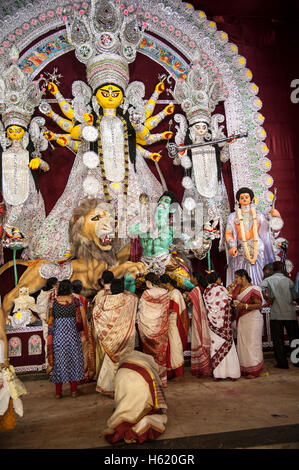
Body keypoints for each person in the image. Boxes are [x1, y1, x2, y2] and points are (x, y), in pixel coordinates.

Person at [104, 350, 167, 445]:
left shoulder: (125, 359)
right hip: (141, 380)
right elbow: (157, 385)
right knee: (148, 408)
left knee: (125, 402)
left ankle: (124, 413)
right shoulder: (151, 362)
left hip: (122, 377)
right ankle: (138, 424)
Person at [92, 277, 138, 396]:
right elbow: (136, 299)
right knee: (126, 361)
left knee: (111, 362)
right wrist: (127, 292)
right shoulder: (130, 299)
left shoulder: (104, 300)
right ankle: (127, 387)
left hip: (111, 337)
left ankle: (109, 388)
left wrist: (106, 329)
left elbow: (95, 314)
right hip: (126, 335)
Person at [225, 187, 278, 286]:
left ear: (251, 199)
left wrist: (275, 218)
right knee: (242, 274)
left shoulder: (259, 215)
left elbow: (268, 231)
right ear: (237, 200)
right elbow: (229, 233)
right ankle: (244, 296)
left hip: (257, 247)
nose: (245, 199)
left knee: (259, 272)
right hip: (241, 248)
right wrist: (232, 246)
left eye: (247, 197)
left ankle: (260, 294)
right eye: (242, 197)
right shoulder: (233, 216)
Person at [47, 279, 87, 398]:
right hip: (73, 337)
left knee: (59, 364)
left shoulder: (53, 303)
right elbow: (84, 318)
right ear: (70, 289)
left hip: (58, 338)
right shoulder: (76, 301)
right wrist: (85, 333)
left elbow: (49, 320)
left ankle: (58, 393)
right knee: (73, 362)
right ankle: (74, 391)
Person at [260, 261, 299, 369]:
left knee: (278, 340)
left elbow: (260, 288)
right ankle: (296, 360)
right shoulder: (289, 281)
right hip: (290, 314)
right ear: (282, 269)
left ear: (273, 269)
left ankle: (282, 363)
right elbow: (295, 295)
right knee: (294, 338)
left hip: (276, 314)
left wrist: (267, 298)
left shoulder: (268, 280)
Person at [204, 272, 240, 380]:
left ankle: (218, 374)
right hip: (223, 325)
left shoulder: (206, 291)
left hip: (212, 324)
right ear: (218, 279)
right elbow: (229, 302)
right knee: (228, 347)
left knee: (215, 348)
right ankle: (232, 373)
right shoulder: (221, 289)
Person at [137, 273, 170, 387]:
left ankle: (152, 379)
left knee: (149, 354)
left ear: (148, 281)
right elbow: (166, 310)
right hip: (161, 326)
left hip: (148, 327)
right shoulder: (165, 293)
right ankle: (163, 380)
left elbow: (141, 309)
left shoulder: (146, 294)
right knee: (161, 353)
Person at [231, 269, 264, 378]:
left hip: (253, 319)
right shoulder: (238, 289)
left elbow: (259, 305)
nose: (235, 280)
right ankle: (246, 368)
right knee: (243, 345)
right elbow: (229, 295)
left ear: (243, 277)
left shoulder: (254, 289)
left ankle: (254, 370)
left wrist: (245, 306)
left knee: (252, 344)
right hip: (243, 319)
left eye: (237, 277)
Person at [160, 274, 189, 379]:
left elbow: (174, 309)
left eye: (163, 285)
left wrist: (161, 311)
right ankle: (171, 369)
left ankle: (177, 369)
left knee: (175, 346)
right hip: (169, 322)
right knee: (171, 346)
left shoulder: (175, 293)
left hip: (173, 322)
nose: (163, 287)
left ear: (168, 283)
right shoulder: (170, 292)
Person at [188, 272, 212, 377]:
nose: (190, 279)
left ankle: (202, 367)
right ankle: (207, 366)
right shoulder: (204, 289)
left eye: (191, 277)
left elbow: (190, 301)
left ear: (196, 278)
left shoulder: (195, 290)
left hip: (198, 317)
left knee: (198, 339)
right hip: (206, 317)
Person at [71, 280, 93, 382]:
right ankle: (84, 375)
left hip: (70, 329)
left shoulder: (68, 299)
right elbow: (87, 315)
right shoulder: (83, 299)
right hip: (82, 328)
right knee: (84, 352)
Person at [35, 277, 58, 369]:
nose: (58, 285)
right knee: (51, 343)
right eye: (57, 283)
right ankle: (51, 365)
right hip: (50, 322)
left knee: (48, 343)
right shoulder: (52, 294)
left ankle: (50, 365)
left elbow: (39, 309)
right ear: (53, 285)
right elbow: (41, 309)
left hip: (48, 321)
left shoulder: (43, 295)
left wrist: (44, 318)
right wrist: (46, 319)